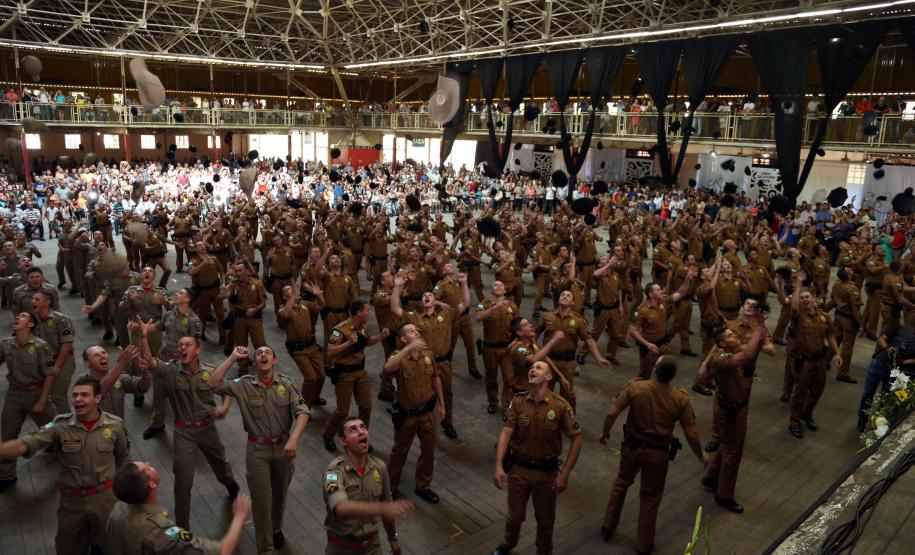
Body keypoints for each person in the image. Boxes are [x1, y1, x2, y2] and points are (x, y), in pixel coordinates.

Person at [0, 375, 129, 554]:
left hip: (105, 499)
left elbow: (123, 459)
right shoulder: (60, 425)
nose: (77, 399)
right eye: (75, 395)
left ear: (97, 399)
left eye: (84, 395)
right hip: (72, 502)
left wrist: (127, 497)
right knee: (67, 547)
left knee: (112, 545)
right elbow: (26, 443)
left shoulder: (115, 426)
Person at [135, 319, 240, 529]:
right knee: (182, 483)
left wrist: (225, 407)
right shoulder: (171, 371)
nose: (183, 347)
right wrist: (144, 336)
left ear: (198, 350)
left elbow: (226, 389)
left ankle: (231, 485)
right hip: (184, 432)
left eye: (188, 345)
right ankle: (183, 529)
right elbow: (148, 359)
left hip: (207, 428)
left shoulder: (210, 371)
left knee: (220, 463)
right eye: (180, 345)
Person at [598, 356, 707, 552]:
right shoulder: (680, 398)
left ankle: (608, 527)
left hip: (631, 448)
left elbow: (612, 412)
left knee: (621, 483)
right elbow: (691, 433)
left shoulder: (636, 388)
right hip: (658, 455)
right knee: (650, 498)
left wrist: (605, 433)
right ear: (673, 376)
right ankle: (644, 544)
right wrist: (701, 455)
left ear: (655, 370)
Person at [209, 345, 310, 553]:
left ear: (275, 360)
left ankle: (276, 528)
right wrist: (232, 357)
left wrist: (294, 438)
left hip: (284, 448)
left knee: (280, 494)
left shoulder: (287, 384)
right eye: (259, 354)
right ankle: (265, 548)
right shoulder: (243, 384)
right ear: (255, 362)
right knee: (262, 501)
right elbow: (213, 383)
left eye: (268, 353)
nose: (263, 355)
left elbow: (303, 411)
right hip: (257, 450)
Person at [492, 360, 583, 555]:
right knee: (514, 517)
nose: (533, 369)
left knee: (545, 520)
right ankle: (508, 544)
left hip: (546, 474)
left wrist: (565, 474)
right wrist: (499, 465)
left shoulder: (560, 405)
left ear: (549, 377)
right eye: (532, 368)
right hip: (519, 470)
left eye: (539, 368)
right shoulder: (517, 401)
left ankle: (544, 551)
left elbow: (576, 439)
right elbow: (506, 432)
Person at [699, 310, 767, 514]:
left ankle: (712, 477)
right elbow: (747, 355)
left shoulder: (727, 352)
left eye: (733, 333)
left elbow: (748, 350)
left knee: (726, 445)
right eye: (729, 335)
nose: (734, 335)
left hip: (734, 407)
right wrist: (761, 327)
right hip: (731, 411)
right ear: (721, 345)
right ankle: (724, 495)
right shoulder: (721, 359)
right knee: (733, 452)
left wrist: (759, 329)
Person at [107, 460, 252, 555]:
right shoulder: (164, 533)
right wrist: (239, 517)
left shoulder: (117, 511)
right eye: (147, 467)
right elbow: (223, 551)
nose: (149, 462)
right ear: (151, 484)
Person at [391, 272, 470, 439]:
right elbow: (395, 308)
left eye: (430, 295)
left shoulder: (446, 315)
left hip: (443, 362)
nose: (427, 296)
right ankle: (423, 423)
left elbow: (465, 304)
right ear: (422, 302)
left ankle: (447, 422)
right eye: (424, 296)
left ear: (435, 301)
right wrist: (397, 287)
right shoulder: (414, 318)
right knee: (422, 394)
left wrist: (463, 284)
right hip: (422, 362)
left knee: (447, 394)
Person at [323, 417, 414, 555]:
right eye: (353, 429)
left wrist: (393, 538)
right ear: (343, 441)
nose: (361, 431)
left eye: (363, 427)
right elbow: (341, 508)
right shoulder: (333, 473)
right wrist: (384, 508)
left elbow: (387, 508)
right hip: (342, 549)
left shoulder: (380, 467)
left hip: (372, 547)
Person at [383, 323, 446, 504]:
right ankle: (390, 487)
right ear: (403, 339)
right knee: (399, 453)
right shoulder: (398, 357)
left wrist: (442, 404)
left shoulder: (427, 354)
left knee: (428, 451)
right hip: (407, 416)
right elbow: (388, 369)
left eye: (416, 330)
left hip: (427, 413)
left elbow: (435, 377)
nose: (416, 332)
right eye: (411, 331)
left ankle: (423, 486)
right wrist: (409, 348)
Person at [0, 311, 57, 492]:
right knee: (8, 432)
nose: (17, 318)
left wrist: (42, 401)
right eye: (16, 317)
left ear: (31, 325)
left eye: (23, 317)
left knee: (54, 427)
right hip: (14, 395)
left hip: (36, 393)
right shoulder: (6, 345)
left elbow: (49, 376)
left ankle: (68, 453)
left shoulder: (41, 347)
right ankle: (7, 475)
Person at [321, 299, 388, 452]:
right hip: (345, 374)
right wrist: (348, 344)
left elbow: (367, 341)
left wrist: (380, 336)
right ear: (358, 313)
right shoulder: (338, 330)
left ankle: (361, 438)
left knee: (366, 406)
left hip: (360, 372)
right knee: (342, 411)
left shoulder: (362, 326)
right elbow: (330, 352)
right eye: (367, 310)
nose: (369, 313)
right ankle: (327, 434)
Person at [788, 273, 841, 439]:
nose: (805, 299)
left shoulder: (824, 316)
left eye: (807, 297)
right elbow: (794, 308)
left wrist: (837, 353)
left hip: (820, 361)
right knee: (800, 393)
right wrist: (798, 285)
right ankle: (794, 422)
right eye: (802, 297)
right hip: (804, 362)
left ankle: (806, 413)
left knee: (817, 391)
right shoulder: (798, 317)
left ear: (813, 299)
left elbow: (831, 335)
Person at [629, 271, 697, 379]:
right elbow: (632, 330)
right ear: (650, 294)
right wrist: (646, 344)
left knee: (664, 372)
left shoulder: (663, 301)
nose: (662, 291)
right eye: (658, 290)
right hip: (650, 348)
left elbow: (680, 293)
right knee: (645, 374)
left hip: (663, 345)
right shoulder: (641, 310)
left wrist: (687, 279)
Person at [858, 325, 915, 432]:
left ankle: (877, 427)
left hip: (894, 372)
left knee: (885, 401)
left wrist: (906, 361)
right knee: (868, 395)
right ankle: (862, 421)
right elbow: (881, 339)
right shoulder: (900, 328)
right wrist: (887, 348)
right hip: (879, 363)